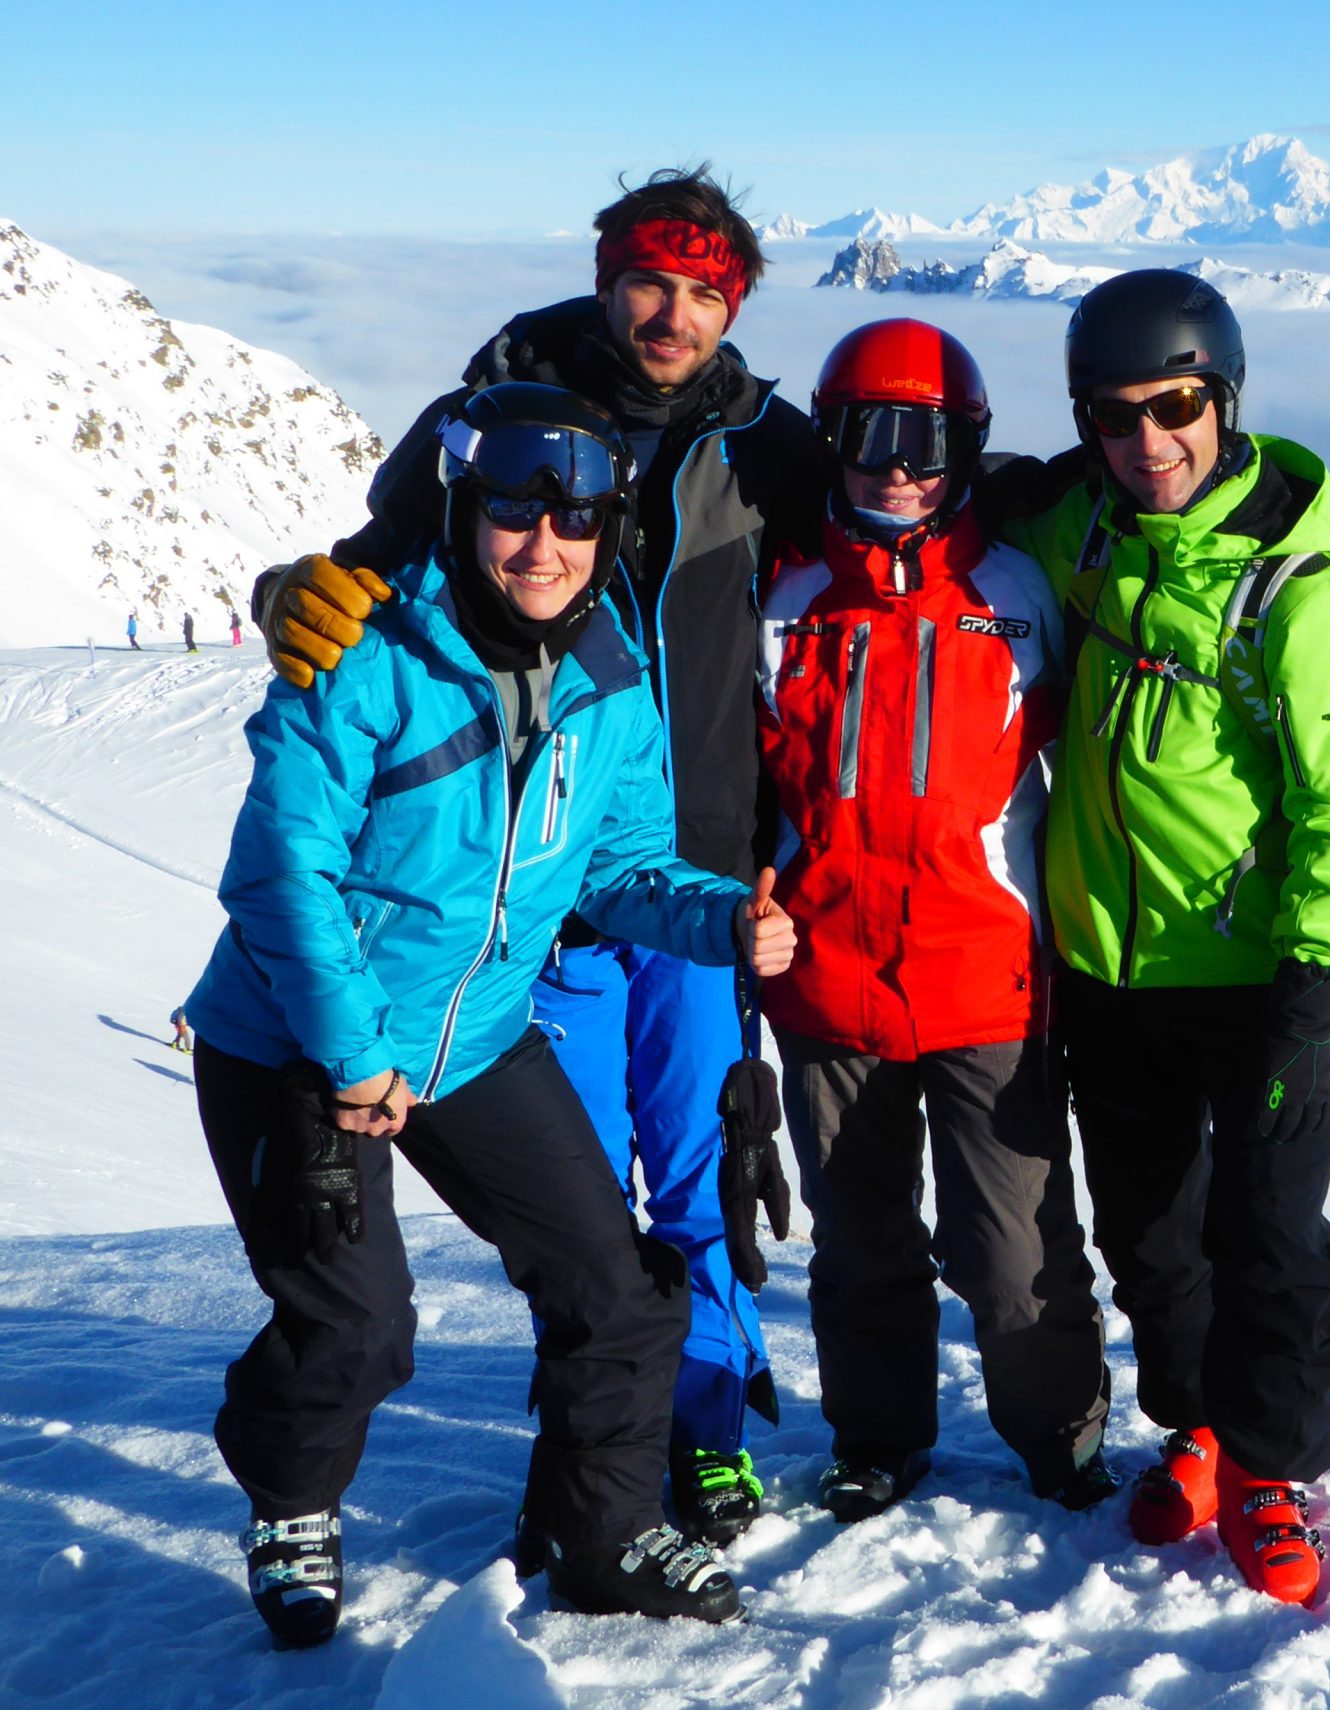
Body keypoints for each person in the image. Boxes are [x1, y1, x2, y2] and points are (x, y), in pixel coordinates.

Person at [250, 166, 830, 1547]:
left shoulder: (763, 441)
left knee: (700, 1169)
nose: (672, 314)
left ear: (733, 304)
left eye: (705, 292)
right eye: (650, 279)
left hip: (692, 877)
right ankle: (597, 1465)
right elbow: (372, 578)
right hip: (534, 899)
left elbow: (905, 515)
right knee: (586, 1202)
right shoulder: (483, 420)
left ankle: (701, 1430)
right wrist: (288, 596)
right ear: (604, 271)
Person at [185, 383, 795, 1648]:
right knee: (359, 1325)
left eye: (575, 517)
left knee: (619, 1291)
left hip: (474, 1040)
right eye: (516, 511)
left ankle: (604, 1526)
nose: (543, 543)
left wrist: (723, 920)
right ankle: (291, 1494)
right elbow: (279, 874)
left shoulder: (613, 675)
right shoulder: (359, 654)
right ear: (466, 511)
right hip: (297, 1039)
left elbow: (626, 865)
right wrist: (351, 1055)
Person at [988, 270, 1330, 1604]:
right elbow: (955, 506)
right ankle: (1205, 1424)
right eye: (1112, 417)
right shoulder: (1082, 533)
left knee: (1267, 1236)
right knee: (1152, 1240)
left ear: (1223, 400)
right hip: (1111, 975)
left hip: (1260, 976)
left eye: (1174, 407)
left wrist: (1318, 976)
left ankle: (1273, 1466)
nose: (1146, 440)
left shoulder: (1298, 589)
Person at [755, 319, 1112, 1525]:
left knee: (1011, 1251)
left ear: (969, 449)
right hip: (826, 977)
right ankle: (879, 1435)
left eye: (929, 440)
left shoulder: (1017, 590)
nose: (897, 469)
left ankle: (1057, 1431)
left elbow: (1120, 702)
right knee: (861, 1247)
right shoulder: (786, 593)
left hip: (984, 976)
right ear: (830, 441)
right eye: (868, 437)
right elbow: (731, 777)